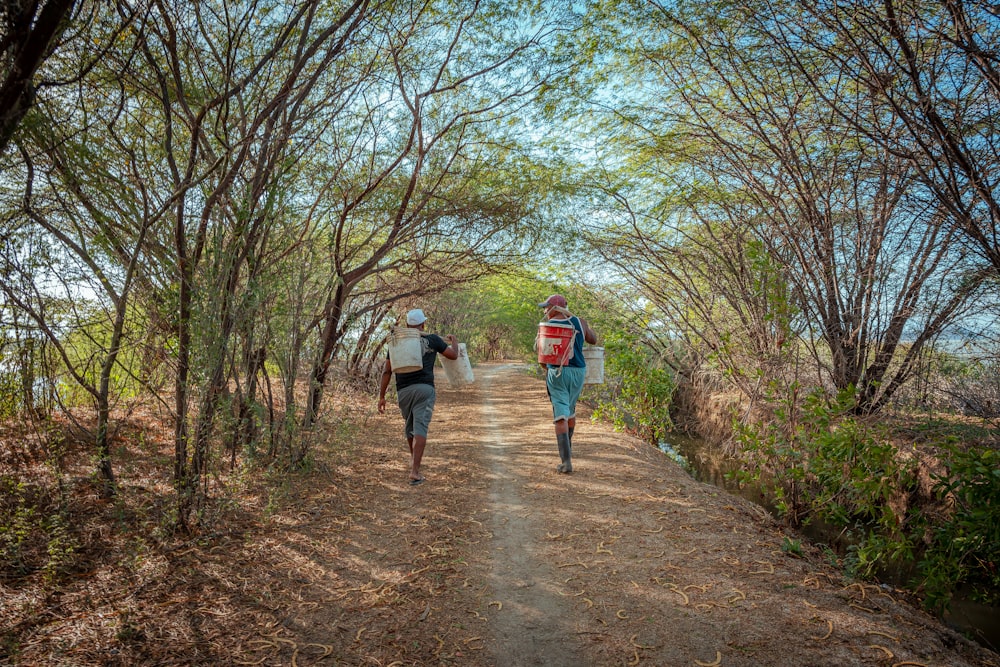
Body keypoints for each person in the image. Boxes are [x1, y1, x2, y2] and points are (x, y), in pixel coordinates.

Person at [378, 308, 459, 485]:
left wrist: (382, 396)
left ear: (407, 325)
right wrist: (455, 342)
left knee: (410, 427)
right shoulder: (432, 339)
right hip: (425, 389)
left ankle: (414, 461)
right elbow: (453, 356)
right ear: (423, 324)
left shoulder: (396, 343)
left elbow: (387, 371)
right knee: (420, 426)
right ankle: (415, 471)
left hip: (403, 391)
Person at [538, 294, 597, 473]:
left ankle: (566, 462)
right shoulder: (580, 322)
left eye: (547, 307)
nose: (545, 311)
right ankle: (568, 450)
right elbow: (593, 340)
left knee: (560, 414)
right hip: (578, 372)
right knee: (570, 409)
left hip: (557, 372)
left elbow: (542, 357)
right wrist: (582, 325)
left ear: (554, 308)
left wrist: (547, 371)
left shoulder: (547, 326)